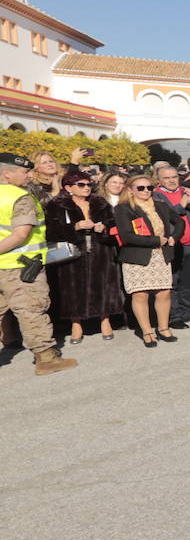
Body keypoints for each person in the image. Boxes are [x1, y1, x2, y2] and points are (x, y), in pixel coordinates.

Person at [0, 153, 78, 375]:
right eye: (24, 171)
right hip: (21, 267)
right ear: (7, 173)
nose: (28, 175)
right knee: (32, 311)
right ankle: (46, 358)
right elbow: (21, 234)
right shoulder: (19, 197)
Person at [44, 170, 122, 343]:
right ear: (68, 187)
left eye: (89, 184)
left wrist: (105, 230)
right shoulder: (56, 205)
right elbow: (50, 232)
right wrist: (75, 227)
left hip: (101, 250)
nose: (87, 188)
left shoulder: (100, 202)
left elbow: (113, 227)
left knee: (104, 285)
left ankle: (105, 321)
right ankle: (76, 325)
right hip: (71, 253)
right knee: (72, 289)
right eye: (81, 185)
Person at [112, 173, 181, 348]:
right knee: (140, 294)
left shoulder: (161, 205)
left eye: (149, 187)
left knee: (164, 292)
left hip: (161, 255)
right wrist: (156, 240)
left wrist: (174, 237)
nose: (145, 191)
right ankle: (147, 331)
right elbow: (127, 236)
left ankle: (164, 328)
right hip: (137, 257)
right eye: (140, 188)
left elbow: (179, 221)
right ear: (130, 190)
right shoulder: (124, 208)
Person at [151, 163, 190, 329]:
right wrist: (182, 205)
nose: (171, 181)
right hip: (171, 244)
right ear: (158, 180)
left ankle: (187, 311)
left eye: (174, 177)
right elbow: (169, 215)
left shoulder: (186, 191)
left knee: (189, 280)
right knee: (172, 281)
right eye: (167, 178)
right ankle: (174, 316)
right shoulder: (155, 195)